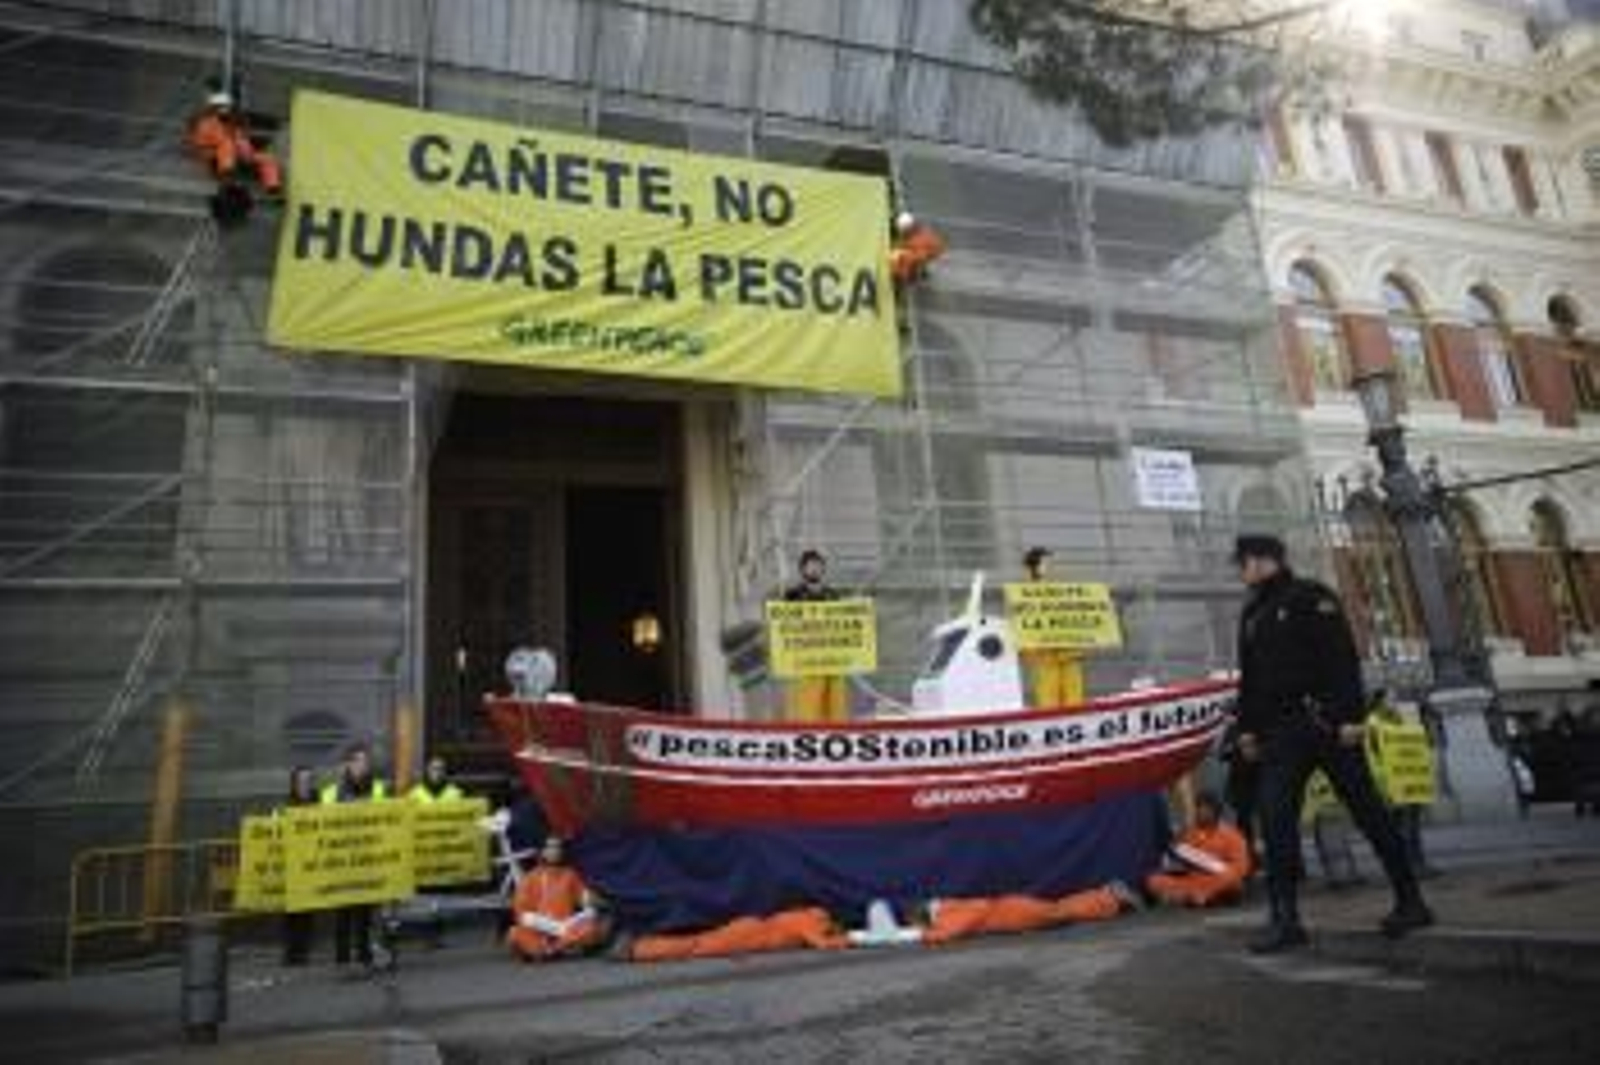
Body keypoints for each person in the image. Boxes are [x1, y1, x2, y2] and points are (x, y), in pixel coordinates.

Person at [1231, 534, 1433, 952]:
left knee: (1369, 812)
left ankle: (1410, 900)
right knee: (1274, 819)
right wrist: (1247, 730)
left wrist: (1352, 718)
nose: (1240, 571)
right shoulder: (1252, 613)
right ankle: (1286, 920)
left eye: (1243, 563)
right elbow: (1251, 681)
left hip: (1325, 724)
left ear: (1263, 561)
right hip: (1280, 733)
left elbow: (1341, 659)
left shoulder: (1312, 597)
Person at [320, 744, 388, 968]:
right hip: (342, 862)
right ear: (348, 764)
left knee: (365, 912)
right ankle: (342, 958)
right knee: (343, 912)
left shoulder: (378, 789)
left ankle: (364, 955)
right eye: (358, 761)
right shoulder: (330, 793)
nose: (363, 766)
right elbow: (319, 828)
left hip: (369, 860)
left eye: (366, 762)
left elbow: (389, 821)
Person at [184, 86, 282, 223]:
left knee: (265, 158)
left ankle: (273, 189)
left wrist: (246, 153)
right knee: (228, 145)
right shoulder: (206, 126)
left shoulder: (233, 125)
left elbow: (239, 143)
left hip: (244, 148)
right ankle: (229, 178)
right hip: (223, 154)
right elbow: (201, 144)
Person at [1145, 791, 1251, 908]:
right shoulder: (1190, 834)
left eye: (1206, 809)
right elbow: (1179, 859)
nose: (1201, 812)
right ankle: (1203, 897)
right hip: (1194, 881)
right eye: (1199, 808)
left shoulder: (1232, 835)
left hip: (1218, 879)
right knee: (1153, 880)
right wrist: (1177, 852)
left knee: (1230, 878)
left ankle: (1200, 897)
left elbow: (1241, 868)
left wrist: (1216, 867)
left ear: (1216, 811)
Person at [506, 836, 604, 961]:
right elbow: (521, 912)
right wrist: (546, 925)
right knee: (514, 933)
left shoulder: (570, 874)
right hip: (540, 929)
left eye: (557, 847)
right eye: (550, 847)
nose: (554, 851)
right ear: (542, 851)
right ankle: (555, 948)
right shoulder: (530, 877)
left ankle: (550, 950)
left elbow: (585, 901)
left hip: (566, 927)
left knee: (591, 929)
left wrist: (589, 900)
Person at [783, 549, 850, 724]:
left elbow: (845, 624)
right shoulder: (792, 595)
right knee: (807, 705)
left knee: (834, 704)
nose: (814, 569)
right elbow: (784, 624)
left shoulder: (833, 595)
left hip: (831, 658)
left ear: (823, 569)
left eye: (818, 565)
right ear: (802, 569)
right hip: (805, 660)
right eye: (810, 566)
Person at [1018, 547, 1086, 711]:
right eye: (1047, 563)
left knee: (1074, 700)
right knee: (1049, 701)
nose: (1052, 567)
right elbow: (1020, 623)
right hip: (1044, 656)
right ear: (1035, 567)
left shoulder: (1066, 589)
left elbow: (1080, 616)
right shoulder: (1024, 593)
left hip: (1068, 652)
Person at [281, 765, 318, 966]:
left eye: (308, 780)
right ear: (295, 783)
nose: (305, 783)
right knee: (292, 911)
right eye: (301, 780)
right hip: (294, 866)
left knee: (307, 911)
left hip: (312, 863)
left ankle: (303, 950)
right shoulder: (287, 804)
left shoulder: (317, 800)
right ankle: (291, 951)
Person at [889, 212, 947, 285]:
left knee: (905, 258)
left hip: (929, 251)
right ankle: (915, 274)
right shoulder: (918, 231)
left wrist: (899, 255)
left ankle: (906, 277)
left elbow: (919, 255)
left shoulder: (918, 240)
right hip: (931, 249)